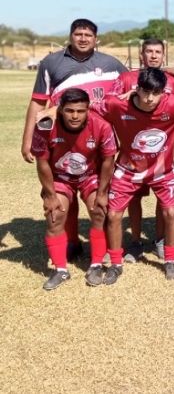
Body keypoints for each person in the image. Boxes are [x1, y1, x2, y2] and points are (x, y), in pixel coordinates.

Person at [22, 18, 127, 262]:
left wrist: (166, 72)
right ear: (70, 36)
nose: (83, 39)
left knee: (99, 196)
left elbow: (134, 83)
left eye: (88, 35)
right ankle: (72, 242)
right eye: (78, 34)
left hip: (99, 139)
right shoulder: (51, 62)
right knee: (66, 190)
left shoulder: (111, 63)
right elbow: (38, 101)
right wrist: (27, 139)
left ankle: (105, 248)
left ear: (96, 39)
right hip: (64, 140)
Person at [92, 68, 174, 283]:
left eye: (155, 93)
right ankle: (116, 264)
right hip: (128, 170)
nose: (149, 98)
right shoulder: (117, 104)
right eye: (145, 92)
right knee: (113, 215)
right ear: (136, 89)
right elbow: (84, 107)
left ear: (163, 92)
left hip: (162, 171)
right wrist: (52, 111)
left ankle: (170, 260)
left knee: (171, 212)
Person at [32, 88, 116, 289]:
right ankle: (60, 270)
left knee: (99, 211)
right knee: (55, 216)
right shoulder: (45, 127)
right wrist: (50, 195)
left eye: (80, 111)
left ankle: (96, 264)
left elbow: (108, 160)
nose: (75, 116)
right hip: (60, 178)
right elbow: (42, 163)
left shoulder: (102, 126)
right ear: (60, 109)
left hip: (90, 176)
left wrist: (102, 193)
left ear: (88, 110)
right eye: (70, 110)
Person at [112, 38, 174, 261]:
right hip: (132, 157)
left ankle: (160, 240)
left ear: (163, 55)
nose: (153, 55)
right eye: (149, 51)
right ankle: (135, 241)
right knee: (133, 199)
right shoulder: (126, 78)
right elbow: (112, 103)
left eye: (157, 52)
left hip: (161, 156)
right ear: (141, 55)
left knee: (164, 203)